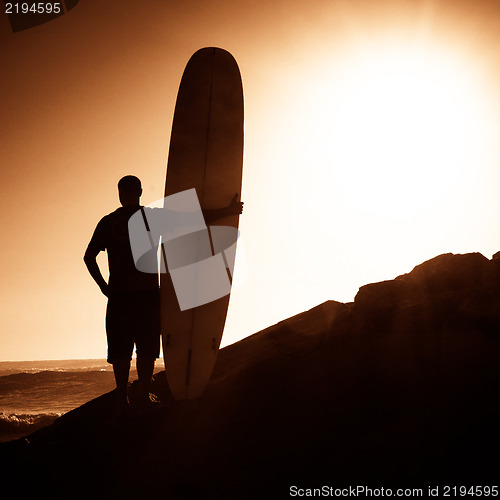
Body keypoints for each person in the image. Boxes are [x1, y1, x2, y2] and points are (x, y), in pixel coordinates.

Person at [84, 175, 243, 413]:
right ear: (139, 191)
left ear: (120, 193)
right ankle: (142, 396)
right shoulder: (151, 218)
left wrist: (103, 286)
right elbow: (194, 218)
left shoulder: (108, 222)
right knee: (146, 349)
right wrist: (227, 210)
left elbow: (89, 257)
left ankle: (121, 398)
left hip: (118, 297)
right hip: (147, 296)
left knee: (120, 351)